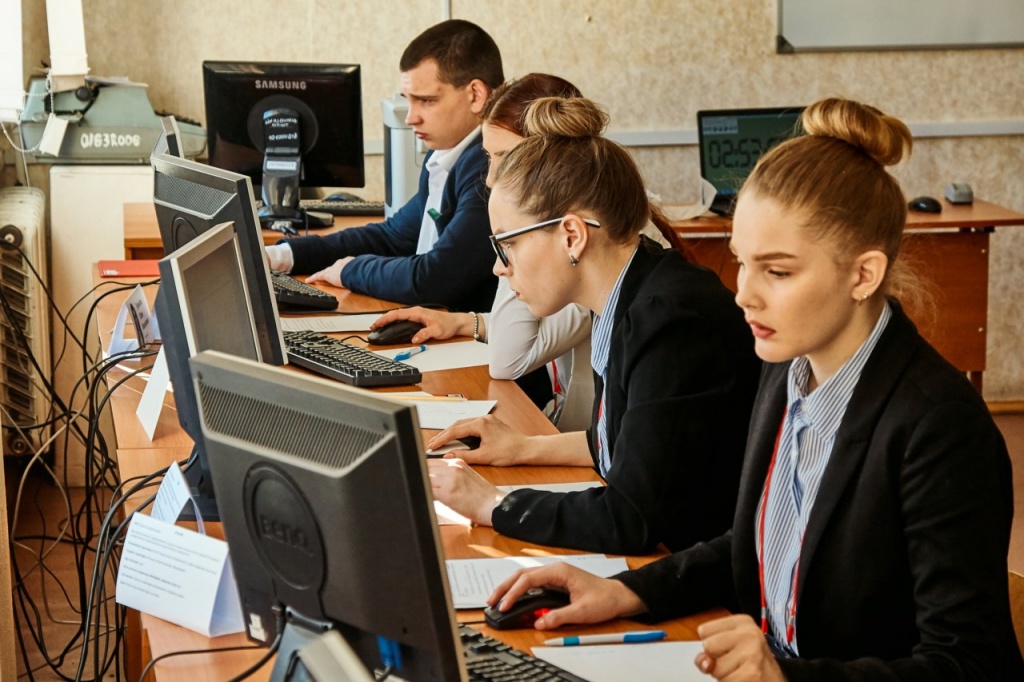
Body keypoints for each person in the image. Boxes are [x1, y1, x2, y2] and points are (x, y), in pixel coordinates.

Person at [486, 98, 1024, 681]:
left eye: (779, 271)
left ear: (863, 275)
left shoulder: (938, 427)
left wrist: (788, 677)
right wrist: (626, 592)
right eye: (742, 263)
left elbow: (970, 665)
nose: (744, 294)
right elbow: (753, 545)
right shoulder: (787, 371)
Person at [426, 97, 762, 555]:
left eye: (508, 245)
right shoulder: (631, 291)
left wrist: (493, 504)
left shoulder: (671, 322)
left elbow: (631, 518)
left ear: (572, 235)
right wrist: (520, 447)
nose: (498, 268)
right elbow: (621, 439)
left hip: (702, 575)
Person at [371, 74, 688, 431]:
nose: (490, 179)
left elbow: (509, 357)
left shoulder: (602, 254)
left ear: (552, 165)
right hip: (573, 433)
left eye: (506, 158)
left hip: (575, 435)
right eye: (488, 157)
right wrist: (467, 322)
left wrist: (515, 235)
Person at [264, 19, 502, 313]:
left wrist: (351, 270)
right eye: (409, 101)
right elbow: (392, 237)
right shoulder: (447, 155)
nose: (410, 117)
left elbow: (435, 279)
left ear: (476, 95)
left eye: (426, 101)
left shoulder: (492, 167)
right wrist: (283, 255)